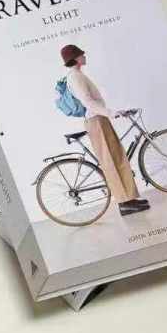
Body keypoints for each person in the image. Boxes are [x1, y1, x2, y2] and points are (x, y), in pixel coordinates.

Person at [61, 43, 150, 215]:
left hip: (99, 119)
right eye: (81, 54)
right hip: (96, 120)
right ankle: (124, 203)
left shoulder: (78, 75)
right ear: (75, 58)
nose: (84, 55)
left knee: (116, 158)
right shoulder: (75, 77)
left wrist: (112, 113)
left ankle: (129, 198)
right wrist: (110, 113)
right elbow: (88, 102)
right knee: (111, 161)